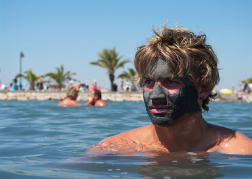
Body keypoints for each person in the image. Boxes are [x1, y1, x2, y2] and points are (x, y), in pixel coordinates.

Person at [87, 24, 252, 155]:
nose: (156, 94)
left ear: (204, 89)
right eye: (149, 82)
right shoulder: (113, 150)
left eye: (171, 82)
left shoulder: (240, 151)